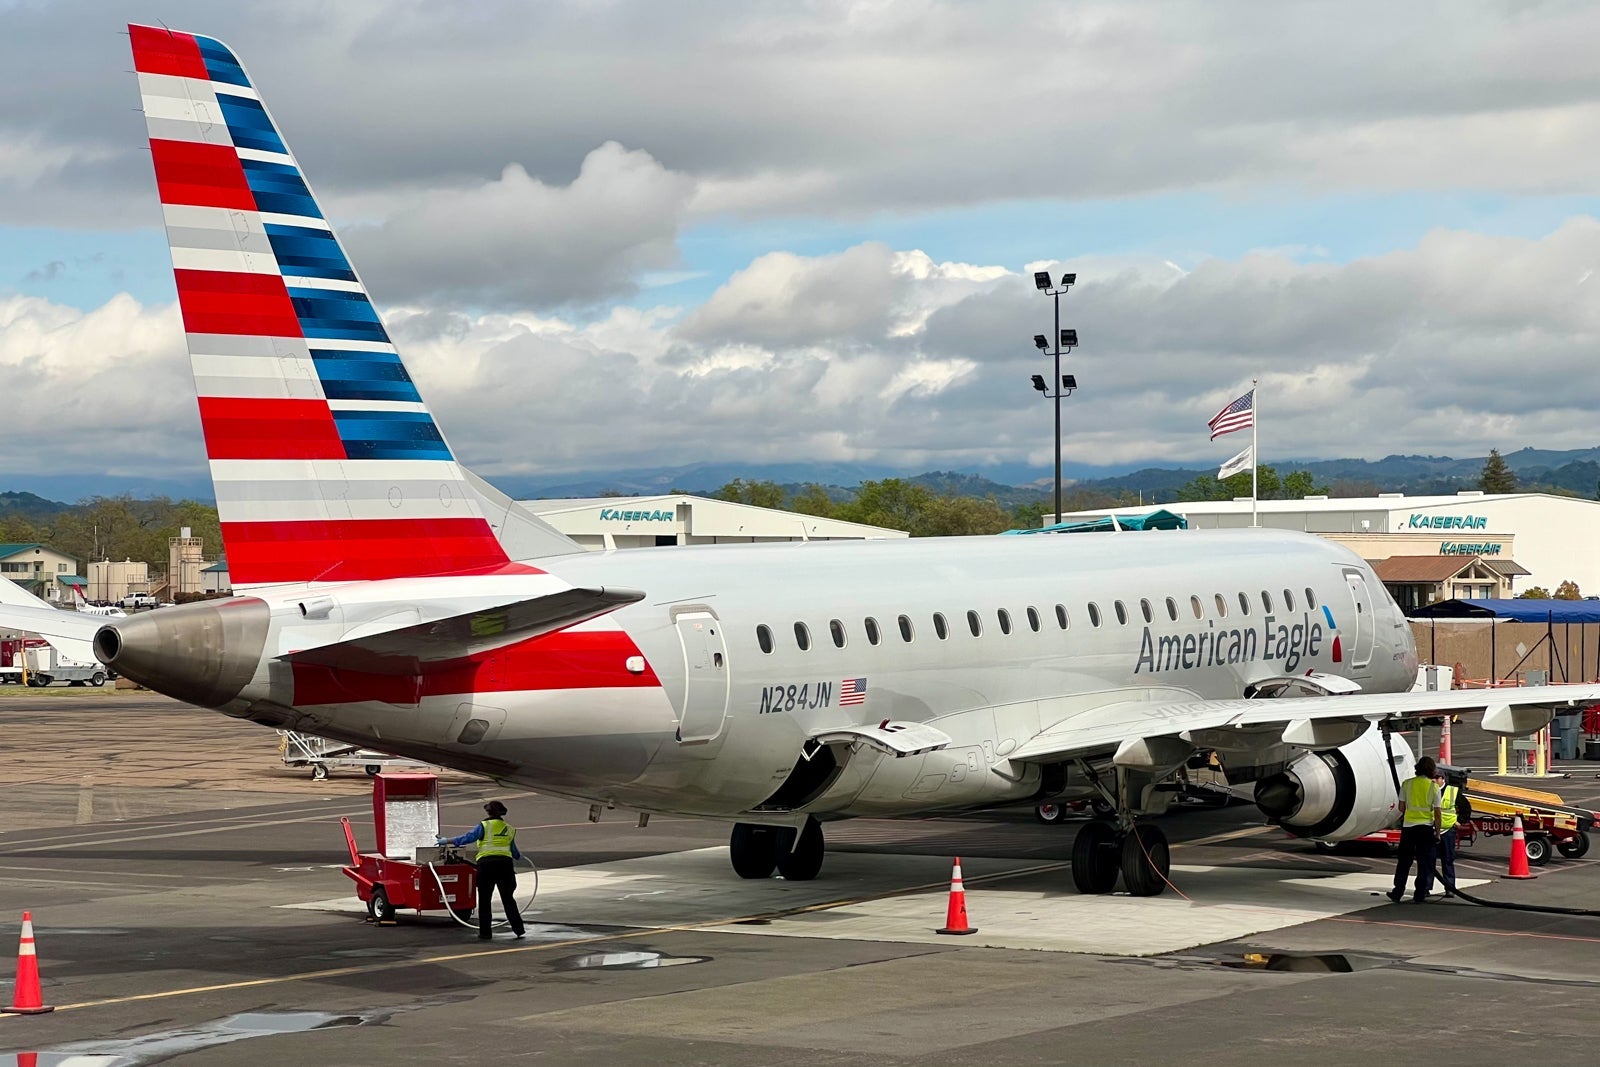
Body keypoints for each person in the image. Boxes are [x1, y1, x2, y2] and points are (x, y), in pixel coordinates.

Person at [441, 800, 526, 940]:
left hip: (487, 865)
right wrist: (519, 856)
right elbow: (514, 852)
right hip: (505, 866)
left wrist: (447, 841)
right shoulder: (509, 828)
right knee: (508, 899)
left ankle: (485, 933)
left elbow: (467, 838)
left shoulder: (484, 826)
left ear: (488, 812)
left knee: (485, 900)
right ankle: (519, 929)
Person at [1389, 756, 1442, 903]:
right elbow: (1437, 813)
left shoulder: (1407, 784)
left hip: (1409, 827)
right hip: (1426, 828)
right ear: (1432, 770)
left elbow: (1401, 808)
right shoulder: (1434, 787)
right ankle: (1420, 894)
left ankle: (1398, 891)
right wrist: (1438, 832)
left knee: (1404, 861)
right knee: (1424, 862)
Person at [1436, 771, 1467, 896]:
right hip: (1432, 829)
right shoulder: (1429, 791)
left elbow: (1466, 807)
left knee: (1447, 860)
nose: (1433, 781)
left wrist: (1460, 821)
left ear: (1442, 779)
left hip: (1447, 830)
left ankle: (1450, 888)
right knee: (1429, 860)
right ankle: (1425, 888)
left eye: (1436, 778)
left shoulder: (1452, 791)